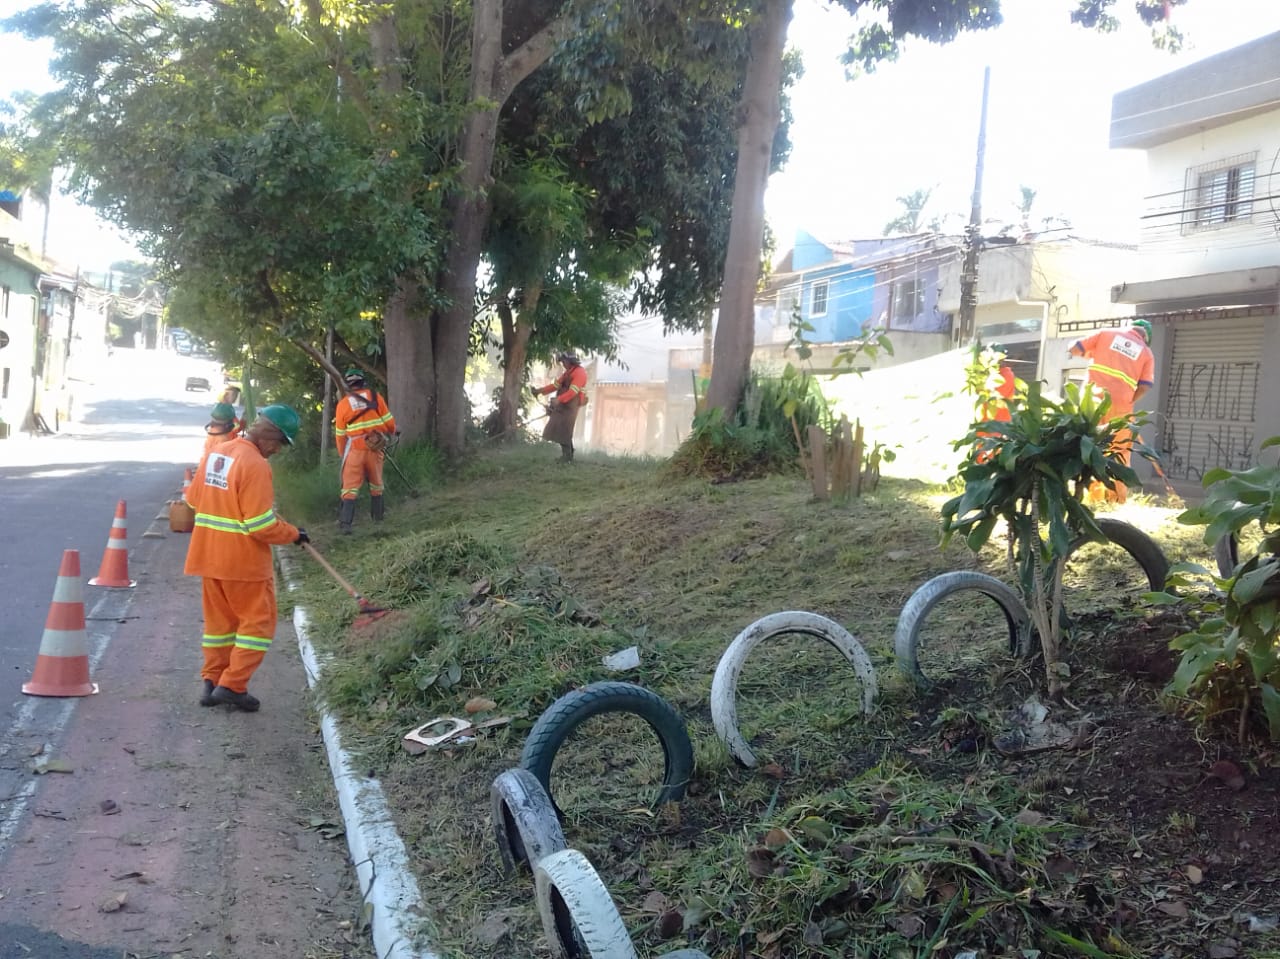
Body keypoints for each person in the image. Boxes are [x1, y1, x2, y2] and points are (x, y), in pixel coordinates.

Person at [183, 405, 308, 712]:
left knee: (219, 627)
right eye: (280, 443)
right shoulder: (255, 464)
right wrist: (293, 534)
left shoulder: (219, 452)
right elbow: (260, 525)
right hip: (243, 564)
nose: (278, 451)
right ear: (269, 435)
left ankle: (212, 682)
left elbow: (193, 499)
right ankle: (233, 686)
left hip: (208, 558)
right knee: (258, 625)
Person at [1068, 318, 1155, 503]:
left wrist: (1092, 353)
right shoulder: (1146, 352)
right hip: (1121, 406)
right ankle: (1115, 500)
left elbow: (1075, 348)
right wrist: (1130, 400)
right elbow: (1146, 385)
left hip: (1092, 399)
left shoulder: (1105, 334)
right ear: (1145, 337)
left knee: (1088, 445)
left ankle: (1089, 496)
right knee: (1119, 451)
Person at [334, 368, 397, 533]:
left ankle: (346, 524)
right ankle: (378, 519)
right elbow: (390, 424)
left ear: (348, 385)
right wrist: (390, 431)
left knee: (350, 487)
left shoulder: (342, 405)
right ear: (363, 382)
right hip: (375, 448)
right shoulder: (376, 397)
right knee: (376, 484)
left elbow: (340, 435)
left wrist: (343, 455)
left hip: (355, 451)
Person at [531, 352, 588, 463]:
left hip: (572, 406)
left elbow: (572, 392)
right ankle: (568, 456)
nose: (562, 364)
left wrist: (558, 400)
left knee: (565, 429)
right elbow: (555, 385)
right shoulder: (567, 373)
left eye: (564, 361)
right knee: (560, 428)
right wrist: (540, 391)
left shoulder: (580, 373)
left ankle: (567, 457)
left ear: (570, 361)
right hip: (564, 404)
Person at [974, 344, 1016, 465]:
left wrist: (979, 388)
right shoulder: (990, 375)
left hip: (997, 426)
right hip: (985, 425)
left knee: (990, 460)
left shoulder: (1006, 376)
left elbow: (992, 395)